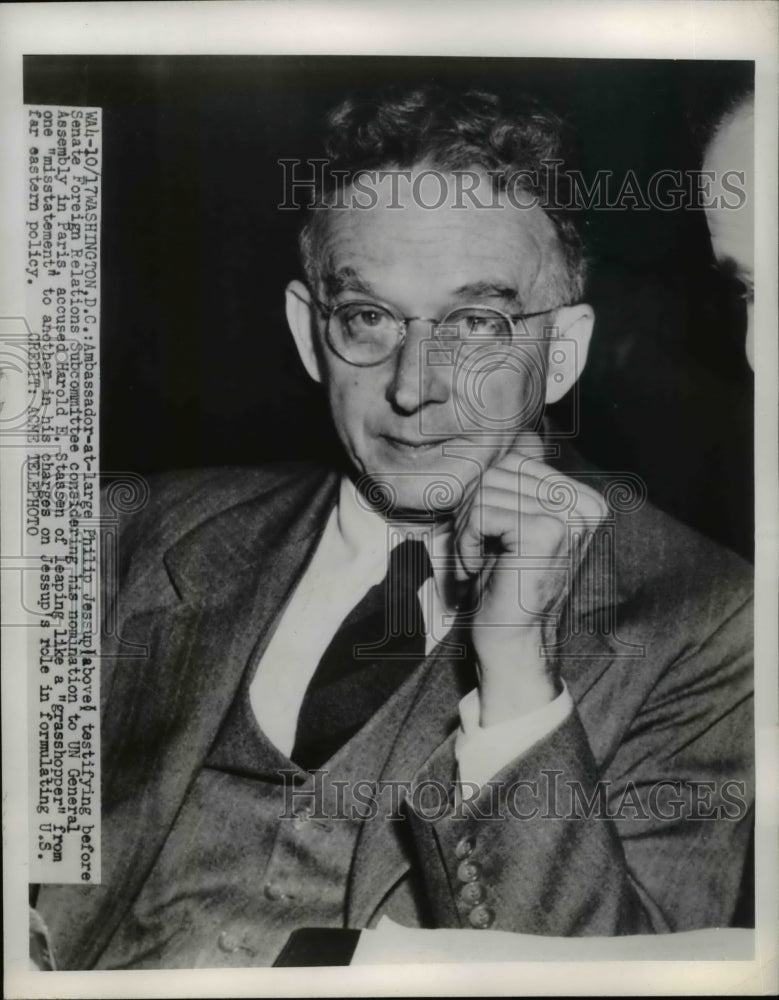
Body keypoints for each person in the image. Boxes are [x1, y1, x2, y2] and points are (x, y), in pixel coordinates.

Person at [33, 86, 754, 969]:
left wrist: (516, 674)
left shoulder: (708, 618)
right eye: (367, 318)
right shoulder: (130, 536)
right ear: (310, 334)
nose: (414, 387)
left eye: (476, 323)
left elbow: (630, 984)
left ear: (561, 353)